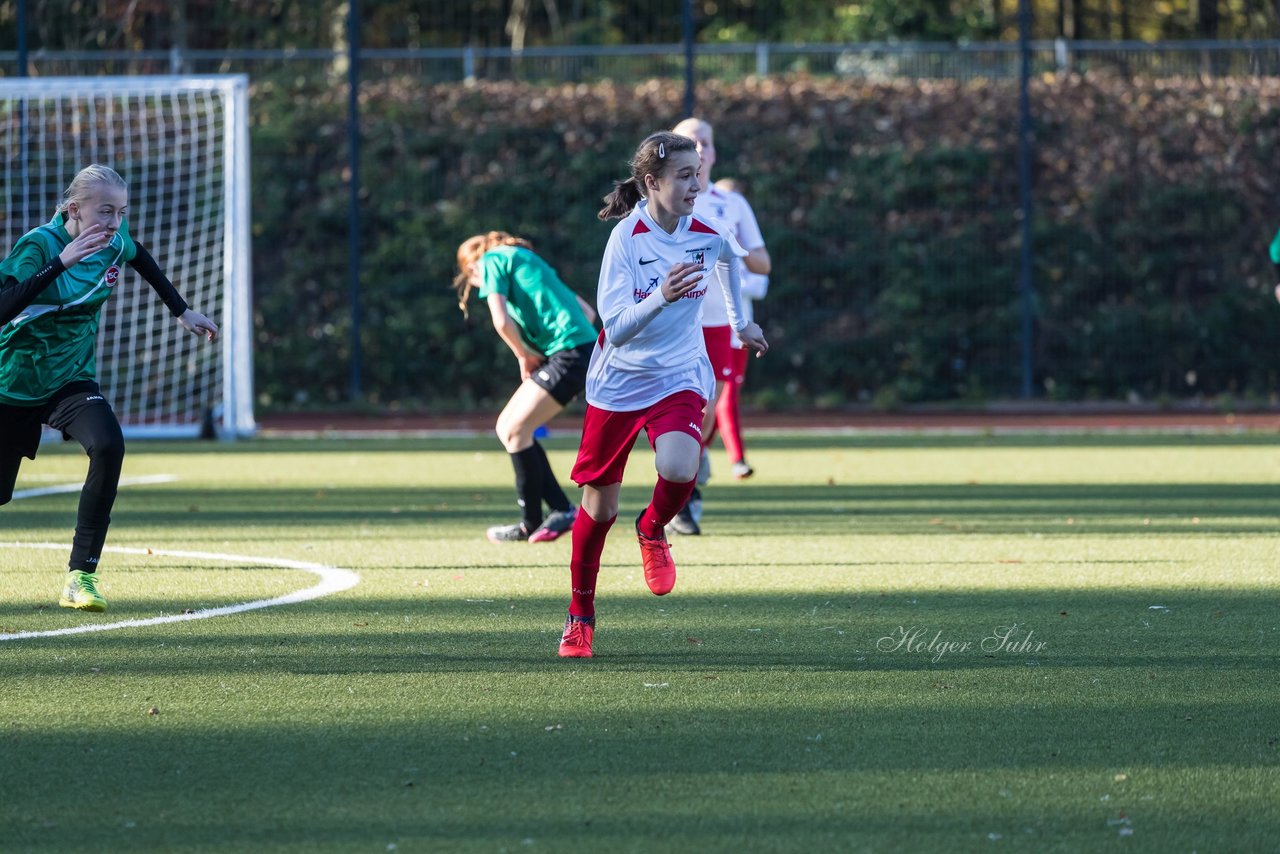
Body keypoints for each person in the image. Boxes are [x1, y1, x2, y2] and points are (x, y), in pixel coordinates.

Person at [557, 131, 769, 658]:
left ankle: (652, 530)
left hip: (679, 373)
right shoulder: (626, 239)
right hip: (620, 380)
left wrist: (741, 324)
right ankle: (580, 615)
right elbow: (616, 326)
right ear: (651, 182)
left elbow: (727, 262)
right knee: (598, 507)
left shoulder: (706, 232)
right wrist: (660, 296)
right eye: (684, 176)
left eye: (697, 174)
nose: (696, 185)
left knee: (681, 466)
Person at [0, 164, 219, 613]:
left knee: (108, 445)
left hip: (69, 379)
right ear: (75, 209)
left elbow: (139, 256)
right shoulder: (38, 245)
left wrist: (182, 310)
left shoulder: (113, 242)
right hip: (11, 383)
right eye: (105, 211)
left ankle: (81, 575)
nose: (114, 223)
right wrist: (62, 262)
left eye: (120, 212)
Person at [453, 231, 598, 544]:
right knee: (510, 428)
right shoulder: (526, 260)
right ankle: (558, 509)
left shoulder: (490, 261)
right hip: (578, 350)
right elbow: (588, 313)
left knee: (516, 430)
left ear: (472, 267)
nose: (476, 285)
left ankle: (532, 522)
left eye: (472, 279)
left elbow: (501, 320)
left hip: (570, 353)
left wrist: (524, 355)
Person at [667, 118, 772, 536]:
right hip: (671, 320)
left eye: (704, 142)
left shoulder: (731, 205)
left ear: (712, 153)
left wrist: (730, 252)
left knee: (707, 410)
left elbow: (762, 261)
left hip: (718, 322)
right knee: (676, 406)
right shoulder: (660, 198)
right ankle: (680, 484)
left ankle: (686, 488)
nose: (698, 147)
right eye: (689, 141)